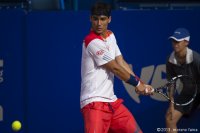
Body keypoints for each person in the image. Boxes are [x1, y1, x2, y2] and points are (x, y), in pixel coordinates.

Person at [80, 2, 153, 133]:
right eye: (95, 18)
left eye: (102, 19)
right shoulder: (92, 41)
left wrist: (141, 83)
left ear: (109, 19)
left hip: (112, 103)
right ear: (90, 18)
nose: (99, 23)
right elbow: (115, 68)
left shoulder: (111, 36)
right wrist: (137, 84)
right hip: (94, 103)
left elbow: (121, 62)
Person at [165, 28, 200, 133]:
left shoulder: (196, 58)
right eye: (173, 41)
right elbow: (172, 83)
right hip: (188, 93)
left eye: (178, 41)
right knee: (169, 118)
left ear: (186, 42)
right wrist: (171, 104)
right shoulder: (170, 60)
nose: (175, 44)